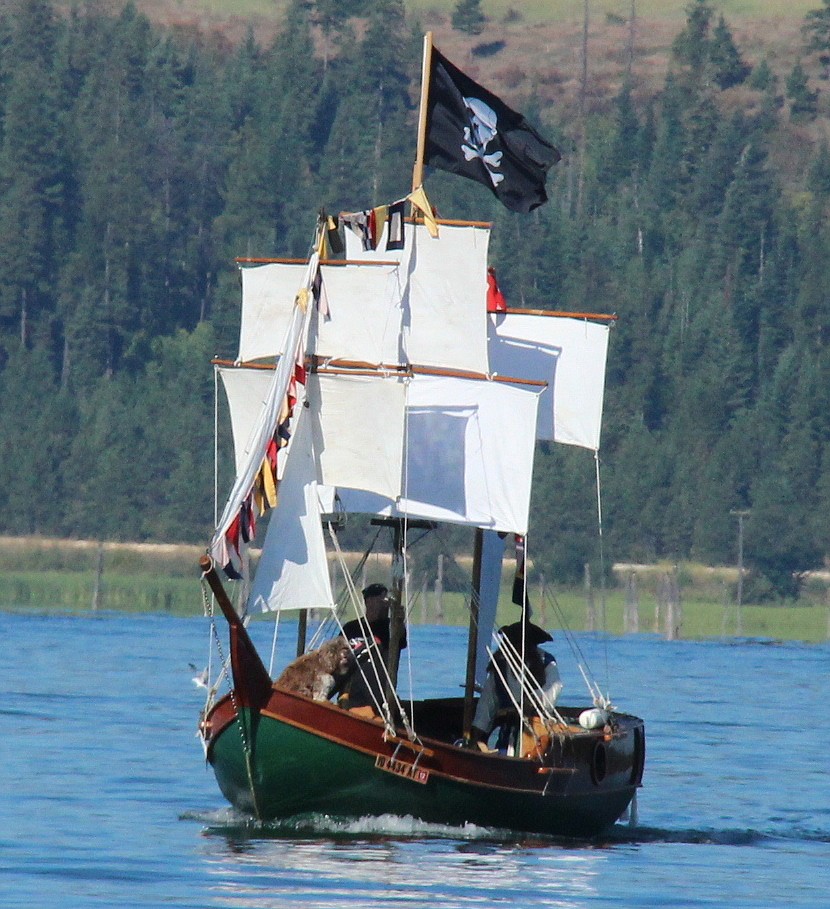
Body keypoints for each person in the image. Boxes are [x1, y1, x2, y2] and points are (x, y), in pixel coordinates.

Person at [470, 620, 562, 753]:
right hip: (507, 736)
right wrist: (477, 737)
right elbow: (486, 705)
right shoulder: (500, 666)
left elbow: (554, 688)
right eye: (514, 642)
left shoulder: (546, 662)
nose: (518, 647)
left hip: (537, 732)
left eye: (522, 642)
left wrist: (530, 701)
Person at [339, 583, 407, 714]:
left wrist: (399, 620)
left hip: (379, 697)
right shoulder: (351, 628)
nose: (384, 603)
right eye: (380, 598)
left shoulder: (390, 628)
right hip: (351, 694)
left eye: (386, 599)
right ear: (369, 601)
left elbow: (400, 638)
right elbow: (338, 655)